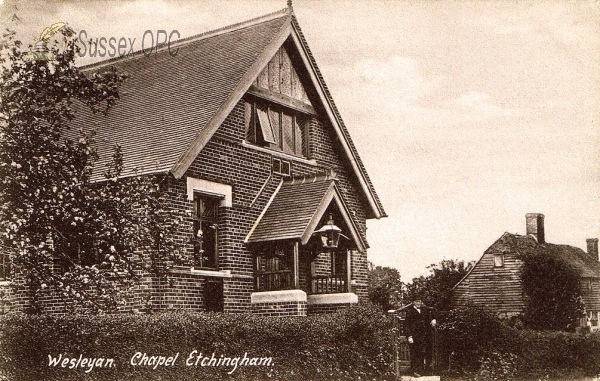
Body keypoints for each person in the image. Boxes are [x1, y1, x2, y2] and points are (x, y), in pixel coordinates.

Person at [404, 298, 436, 377]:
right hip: (415, 336)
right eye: (416, 301)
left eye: (419, 301)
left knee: (423, 352)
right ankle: (415, 371)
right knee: (415, 353)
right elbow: (406, 325)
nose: (418, 303)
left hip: (424, 335)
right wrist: (409, 336)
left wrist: (433, 319)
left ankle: (422, 371)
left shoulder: (424, 309)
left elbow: (432, 311)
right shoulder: (409, 311)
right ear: (413, 302)